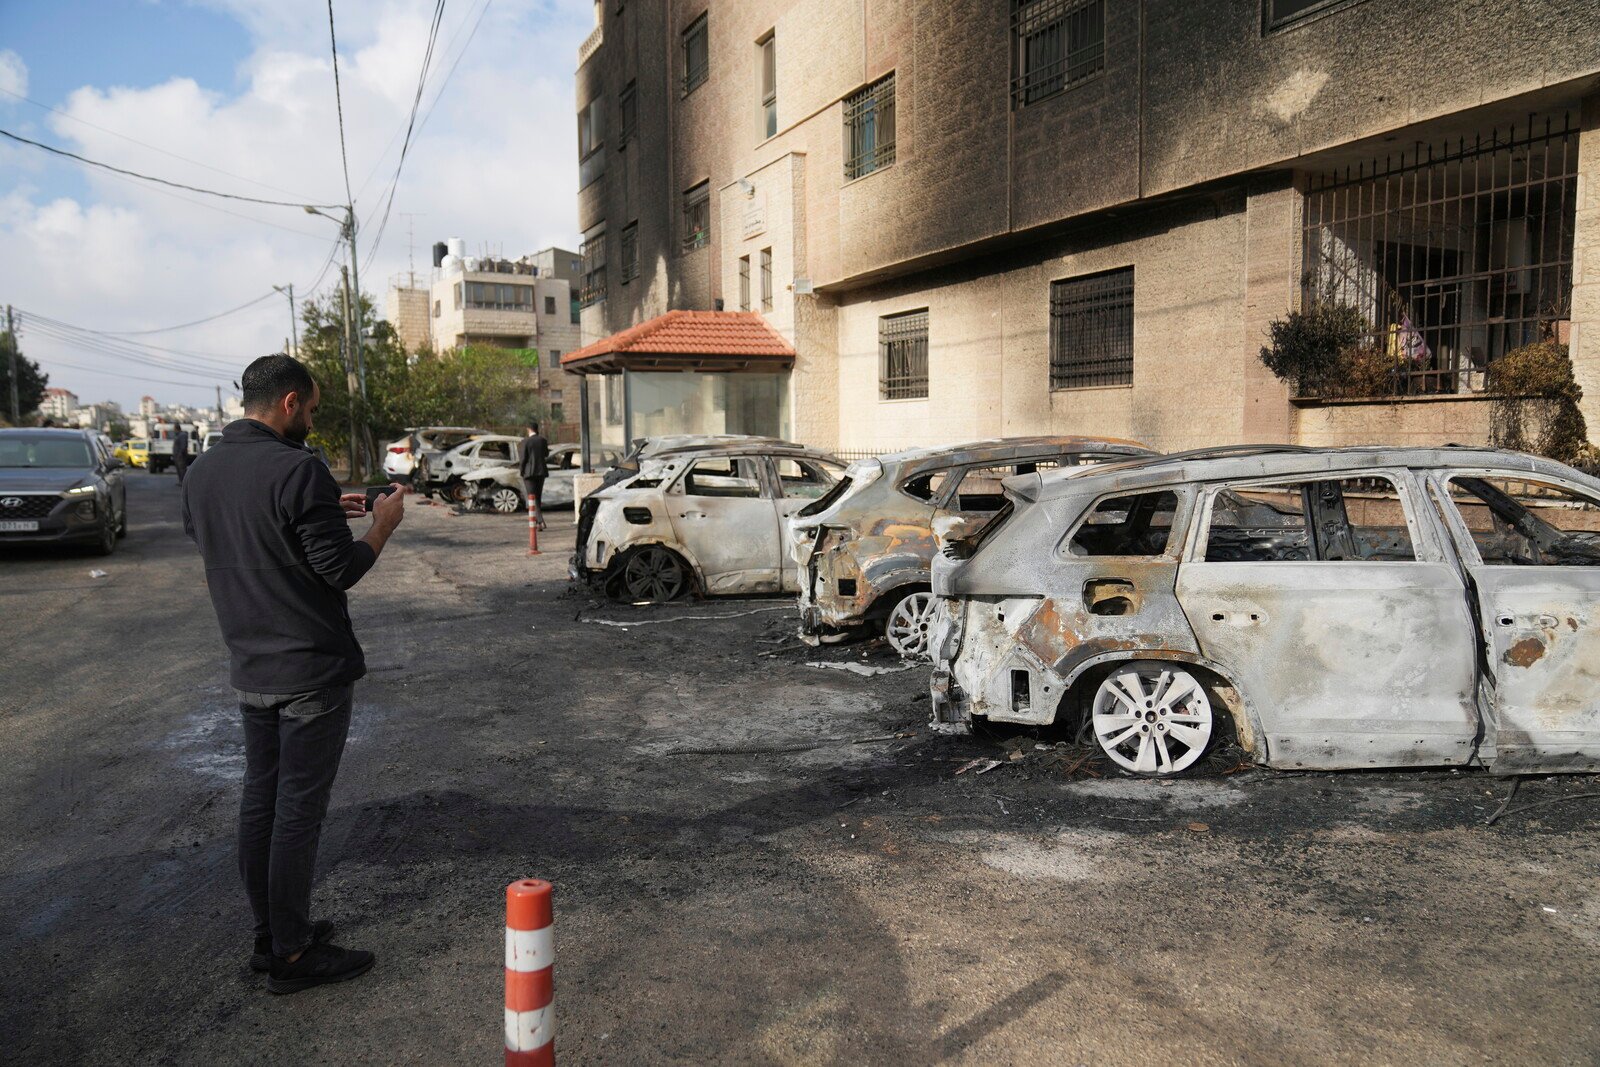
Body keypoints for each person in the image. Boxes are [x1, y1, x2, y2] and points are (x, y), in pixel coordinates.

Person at [182, 354, 406, 994]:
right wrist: (379, 526)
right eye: (309, 408)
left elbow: (239, 535)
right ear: (287, 402)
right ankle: (292, 955)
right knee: (297, 814)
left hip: (250, 661)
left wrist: (327, 508)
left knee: (262, 800)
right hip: (309, 665)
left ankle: (272, 935)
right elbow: (340, 570)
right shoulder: (297, 468)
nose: (311, 418)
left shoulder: (202, 471)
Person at [519, 420, 550, 529]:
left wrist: (521, 471)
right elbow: (546, 454)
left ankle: (540, 521)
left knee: (532, 498)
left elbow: (523, 459)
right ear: (537, 429)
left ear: (528, 429)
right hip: (541, 472)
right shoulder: (543, 440)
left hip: (529, 473)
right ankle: (538, 522)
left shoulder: (525, 441)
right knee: (538, 497)